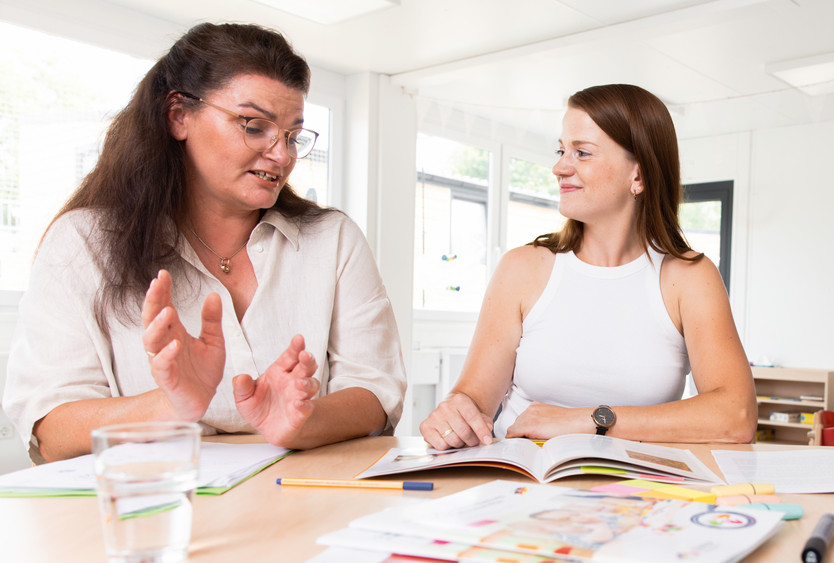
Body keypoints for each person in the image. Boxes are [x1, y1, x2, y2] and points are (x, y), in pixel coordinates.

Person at [3, 23, 405, 463]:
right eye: (254, 126)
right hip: (153, 510)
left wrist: (303, 420)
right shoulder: (83, 243)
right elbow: (51, 432)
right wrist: (170, 405)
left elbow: (376, 392)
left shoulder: (333, 239)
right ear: (179, 116)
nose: (282, 154)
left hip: (301, 504)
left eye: (292, 135)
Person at [419, 84, 754, 450]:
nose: (559, 167)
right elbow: (473, 399)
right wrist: (456, 412)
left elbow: (735, 416)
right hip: (523, 483)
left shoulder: (689, 278)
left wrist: (587, 420)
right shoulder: (522, 268)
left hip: (636, 493)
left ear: (638, 176)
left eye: (582, 152)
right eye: (562, 150)